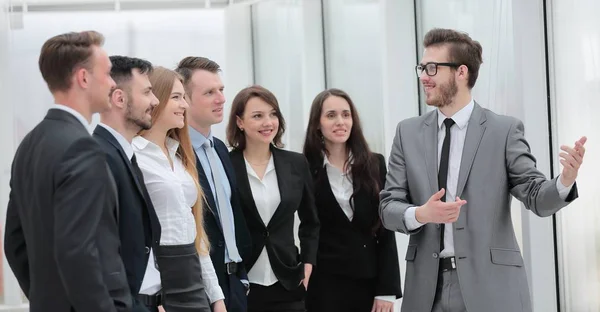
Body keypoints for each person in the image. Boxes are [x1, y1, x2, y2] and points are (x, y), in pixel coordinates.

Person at [379, 28, 586, 312]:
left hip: (491, 288)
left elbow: (536, 197)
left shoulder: (504, 130)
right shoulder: (407, 133)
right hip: (426, 290)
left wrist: (564, 180)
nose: (423, 77)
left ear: (461, 72)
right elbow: (388, 206)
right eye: (421, 68)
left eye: (431, 68)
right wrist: (420, 214)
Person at [4, 31, 131, 312]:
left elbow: (14, 244)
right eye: (108, 73)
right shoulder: (81, 148)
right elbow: (78, 252)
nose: (112, 83)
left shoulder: (30, 143)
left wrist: (48, 299)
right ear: (83, 78)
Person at [302, 89, 402, 312]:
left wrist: (387, 289)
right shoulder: (304, 169)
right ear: (317, 123)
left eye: (346, 115)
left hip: (367, 283)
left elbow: (386, 231)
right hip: (322, 285)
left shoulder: (375, 165)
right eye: (331, 115)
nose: (340, 122)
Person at [132, 67, 222, 312]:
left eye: (184, 97)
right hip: (161, 285)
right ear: (155, 98)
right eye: (177, 97)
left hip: (193, 279)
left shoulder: (181, 157)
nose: (185, 105)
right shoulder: (134, 156)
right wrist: (154, 296)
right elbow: (136, 233)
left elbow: (196, 233)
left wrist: (217, 297)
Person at [226, 85, 319, 312]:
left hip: (288, 282)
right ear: (240, 122)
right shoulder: (226, 164)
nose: (268, 122)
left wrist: (307, 263)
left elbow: (311, 221)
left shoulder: (296, 164)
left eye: (273, 114)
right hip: (243, 282)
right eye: (258, 116)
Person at [176, 57, 252, 312]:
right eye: (209, 92)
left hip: (235, 282)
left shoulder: (219, 149)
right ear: (184, 100)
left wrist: (241, 275)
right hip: (199, 287)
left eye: (221, 90)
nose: (220, 99)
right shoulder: (174, 154)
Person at [93, 55, 161, 312]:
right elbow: (99, 252)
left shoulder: (125, 154)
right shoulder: (100, 157)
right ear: (119, 99)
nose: (155, 101)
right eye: (147, 92)